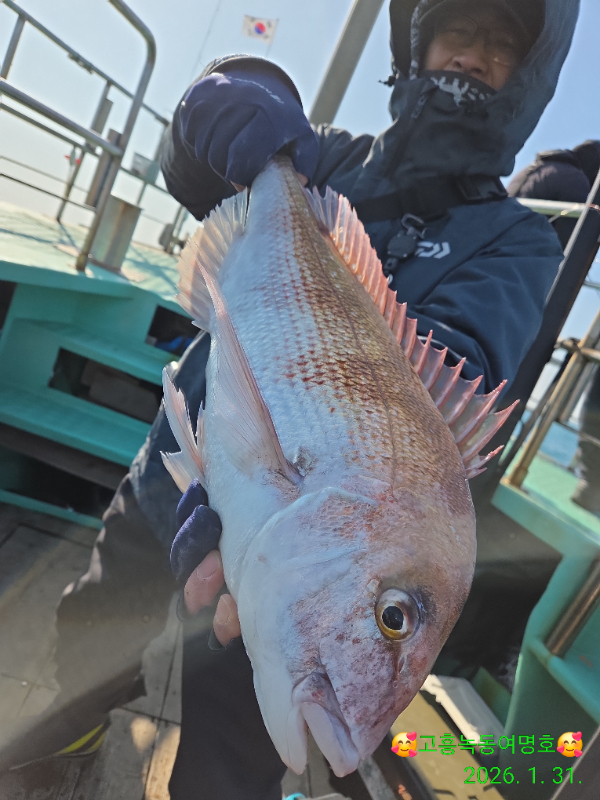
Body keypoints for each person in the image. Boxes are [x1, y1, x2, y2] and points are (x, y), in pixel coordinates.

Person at [1, 1, 579, 798]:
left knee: (231, 748)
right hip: (175, 465)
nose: (473, 56)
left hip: (268, 551)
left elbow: (458, 361)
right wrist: (237, 86)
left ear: (532, 76)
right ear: (418, 45)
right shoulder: (322, 157)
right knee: (97, 616)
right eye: (459, 30)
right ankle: (77, 726)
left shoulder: (518, 240)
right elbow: (197, 167)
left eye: (502, 45)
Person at [509, 140, 600, 515]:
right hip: (520, 296)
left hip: (497, 282)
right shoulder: (575, 184)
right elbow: (578, 243)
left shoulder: (538, 170)